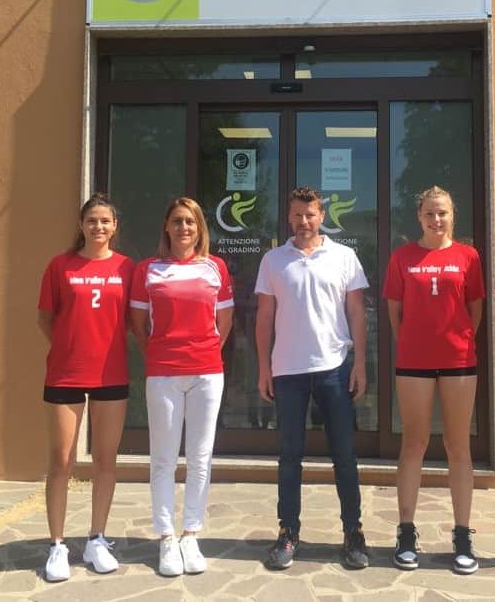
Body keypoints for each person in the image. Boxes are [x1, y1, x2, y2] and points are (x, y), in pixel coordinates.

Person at [255, 187, 369, 570]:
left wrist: (360, 364)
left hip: (334, 369)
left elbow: (357, 314)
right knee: (289, 458)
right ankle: (288, 533)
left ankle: (353, 533)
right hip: (287, 371)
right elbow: (264, 318)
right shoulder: (273, 260)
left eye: (311, 215)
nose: (304, 222)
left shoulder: (344, 257)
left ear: (323, 216)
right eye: (297, 215)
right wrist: (263, 367)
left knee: (345, 458)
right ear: (289, 218)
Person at [383, 186, 484, 574]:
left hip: (459, 361)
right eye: (429, 214)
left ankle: (462, 535)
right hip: (414, 363)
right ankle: (406, 532)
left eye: (442, 213)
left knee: (459, 447)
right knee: (414, 443)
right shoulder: (403, 257)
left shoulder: (468, 256)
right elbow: (395, 312)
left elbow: (473, 310)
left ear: (452, 215)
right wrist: (413, 343)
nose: (436, 220)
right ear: (419, 217)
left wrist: (454, 341)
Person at [130, 197, 233, 577]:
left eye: (190, 222)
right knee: (163, 459)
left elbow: (224, 321)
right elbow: (139, 327)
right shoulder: (148, 270)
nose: (184, 228)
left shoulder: (215, 267)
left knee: (200, 458)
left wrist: (202, 354)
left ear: (199, 227)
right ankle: (166, 537)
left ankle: (191, 533)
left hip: (207, 371)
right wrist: (160, 353)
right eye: (177, 221)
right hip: (163, 373)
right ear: (167, 228)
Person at [37, 193, 134, 582]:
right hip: (65, 374)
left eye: (105, 221)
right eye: (91, 220)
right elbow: (46, 319)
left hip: (112, 374)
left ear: (115, 227)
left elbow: (130, 319)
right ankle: (57, 544)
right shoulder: (59, 266)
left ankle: (96, 539)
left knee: (105, 462)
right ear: (81, 225)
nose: (98, 227)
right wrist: (70, 347)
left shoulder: (128, 268)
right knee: (62, 462)